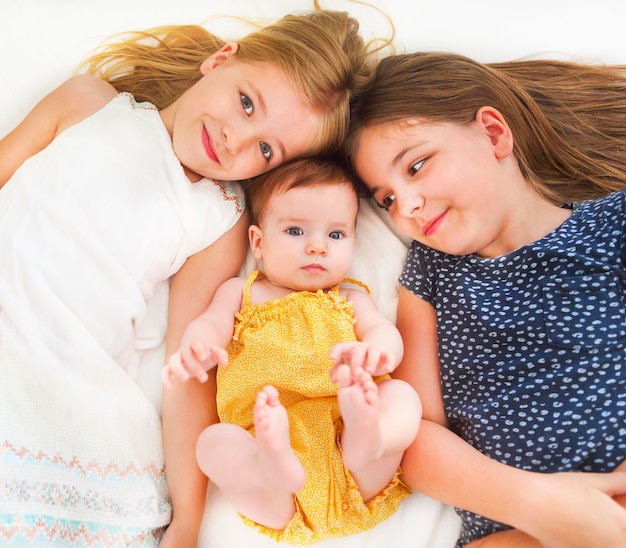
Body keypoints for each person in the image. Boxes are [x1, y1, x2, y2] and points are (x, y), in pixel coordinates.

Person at [0, 8, 378, 546]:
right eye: (246, 103)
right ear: (220, 61)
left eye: (265, 150)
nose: (235, 140)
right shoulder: (86, 103)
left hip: (61, 372)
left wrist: (188, 519)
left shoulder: (219, 216)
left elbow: (189, 371)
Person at [347, 51, 626, 547]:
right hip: (512, 528)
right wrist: (540, 505)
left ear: (494, 133)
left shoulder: (612, 223)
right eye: (386, 198)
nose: (405, 206)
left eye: (417, 165)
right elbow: (418, 437)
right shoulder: (430, 273)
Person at [162, 158, 421, 544]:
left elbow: (384, 333)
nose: (317, 246)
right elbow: (210, 325)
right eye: (296, 230)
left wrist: (377, 353)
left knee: (401, 396)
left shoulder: (349, 298)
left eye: (336, 235)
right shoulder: (241, 294)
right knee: (213, 444)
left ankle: (372, 436)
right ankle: (268, 466)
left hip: (350, 452)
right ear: (258, 243)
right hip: (269, 459)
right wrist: (196, 347)